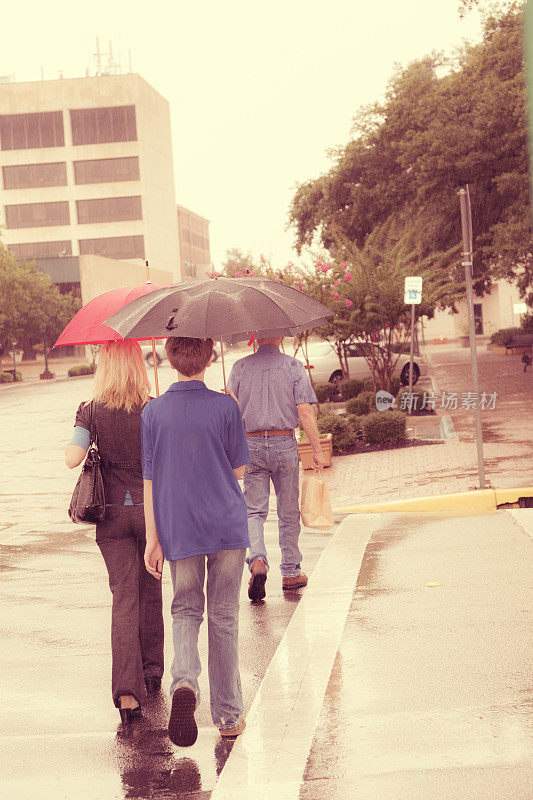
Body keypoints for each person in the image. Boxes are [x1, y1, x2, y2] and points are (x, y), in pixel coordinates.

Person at [142, 336, 250, 747]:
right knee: (223, 616)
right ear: (209, 358)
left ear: (170, 359)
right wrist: (231, 410)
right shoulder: (225, 406)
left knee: (186, 609)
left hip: (178, 527)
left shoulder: (152, 411)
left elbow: (149, 481)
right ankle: (227, 715)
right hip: (225, 524)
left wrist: (154, 538)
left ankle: (184, 683)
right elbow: (238, 470)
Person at [64, 340, 164, 724]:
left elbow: (72, 458)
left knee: (124, 596)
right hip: (151, 511)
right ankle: (152, 672)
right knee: (150, 586)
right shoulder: (152, 408)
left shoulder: (90, 411)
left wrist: (90, 443)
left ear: (104, 366)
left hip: (110, 515)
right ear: (138, 366)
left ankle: (127, 693)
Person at [227, 337, 325, 602]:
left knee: (254, 511)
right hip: (284, 443)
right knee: (288, 511)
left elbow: (230, 412)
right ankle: (291, 572)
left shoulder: (239, 367)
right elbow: (304, 410)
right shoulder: (293, 366)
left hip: (251, 445)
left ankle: (257, 559)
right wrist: (317, 449)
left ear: (255, 336)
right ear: (281, 337)